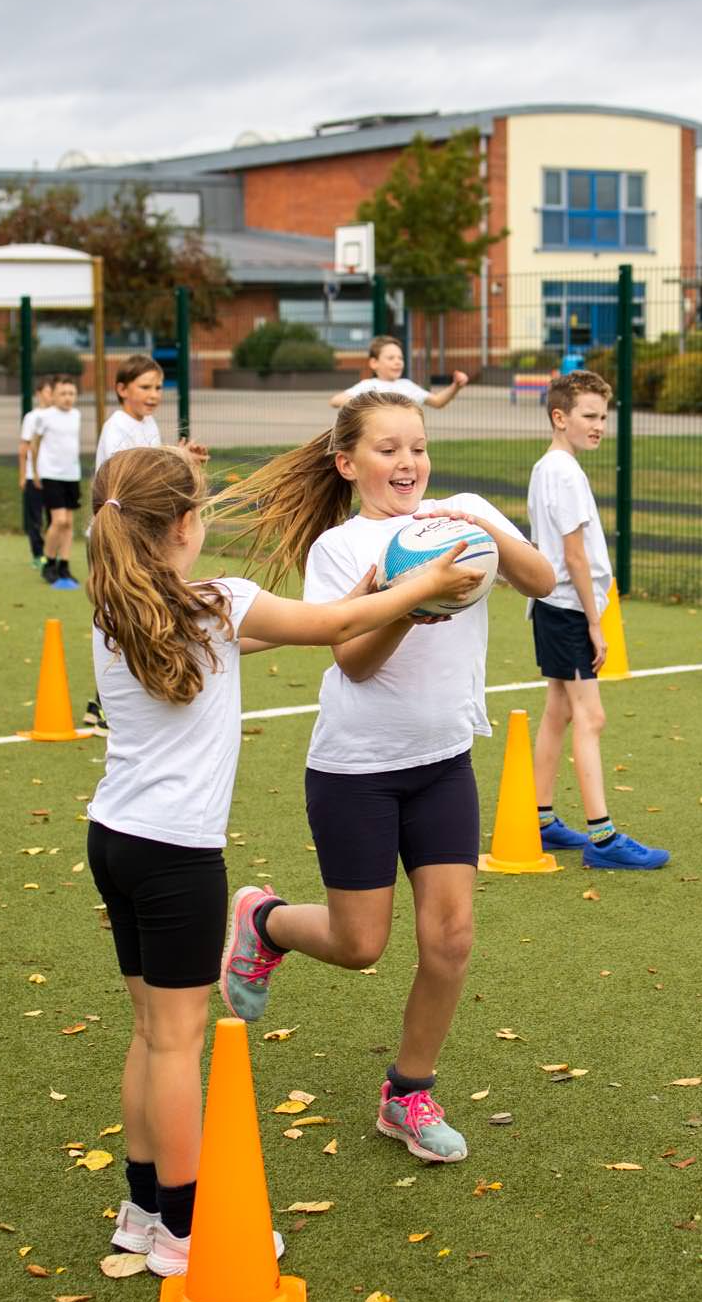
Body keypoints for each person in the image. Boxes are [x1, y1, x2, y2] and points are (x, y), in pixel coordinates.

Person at [84, 444, 477, 1275]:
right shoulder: (216, 601)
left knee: (152, 1033)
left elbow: (286, 631)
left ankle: (142, 1210)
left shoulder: (120, 607)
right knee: (179, 1043)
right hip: (176, 858)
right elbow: (328, 628)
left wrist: (370, 598)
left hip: (113, 840)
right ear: (187, 526)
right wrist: (424, 588)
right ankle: (188, 1231)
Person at [206, 395, 555, 1165]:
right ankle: (264, 922)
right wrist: (412, 599)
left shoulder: (458, 514)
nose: (408, 463)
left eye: (419, 448)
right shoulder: (340, 547)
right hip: (357, 770)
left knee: (451, 938)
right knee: (360, 943)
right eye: (389, 449)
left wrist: (480, 529)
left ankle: (408, 1092)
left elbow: (540, 575)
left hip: (444, 763)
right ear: (348, 463)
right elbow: (354, 663)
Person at [526, 370, 667, 870]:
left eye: (603, 417)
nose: (599, 425)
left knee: (559, 712)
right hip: (567, 610)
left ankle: (539, 821)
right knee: (592, 717)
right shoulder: (563, 472)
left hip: (553, 608)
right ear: (559, 417)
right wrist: (594, 620)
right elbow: (575, 555)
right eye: (589, 415)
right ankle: (603, 839)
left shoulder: (550, 467)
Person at [93, 355, 207, 481]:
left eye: (158, 388)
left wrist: (182, 458)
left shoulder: (149, 421)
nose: (154, 395)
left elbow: (153, 464)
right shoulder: (116, 428)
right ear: (122, 389)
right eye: (145, 387)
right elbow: (124, 478)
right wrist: (177, 458)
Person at [21, 372, 84, 589]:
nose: (68, 397)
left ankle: (64, 565)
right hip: (51, 475)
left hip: (71, 475)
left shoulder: (76, 415)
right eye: (63, 393)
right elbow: (34, 445)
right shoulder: (43, 417)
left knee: (69, 523)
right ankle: (48, 562)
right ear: (53, 396)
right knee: (58, 521)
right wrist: (36, 473)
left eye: (71, 393)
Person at [327, 336, 471, 410]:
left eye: (400, 358)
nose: (397, 362)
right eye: (390, 358)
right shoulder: (368, 386)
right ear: (373, 363)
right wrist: (372, 403)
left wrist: (456, 386)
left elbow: (438, 402)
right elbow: (335, 401)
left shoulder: (407, 386)